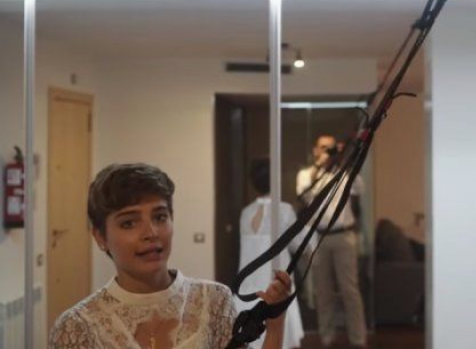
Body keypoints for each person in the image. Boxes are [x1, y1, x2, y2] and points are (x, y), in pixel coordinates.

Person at [49, 163, 289, 349]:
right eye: (129, 223)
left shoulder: (214, 301)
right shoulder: (77, 326)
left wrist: (275, 325)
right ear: (100, 237)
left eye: (160, 217)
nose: (150, 233)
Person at [296, 135, 367, 348]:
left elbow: (360, 188)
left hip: (344, 236)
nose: (328, 151)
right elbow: (304, 195)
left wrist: (347, 161)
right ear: (315, 150)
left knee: (350, 291)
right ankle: (327, 339)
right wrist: (321, 166)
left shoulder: (344, 172)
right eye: (323, 148)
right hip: (319, 238)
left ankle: (358, 340)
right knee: (323, 292)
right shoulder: (306, 174)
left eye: (331, 148)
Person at [237, 158, 312, 349]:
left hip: (248, 284)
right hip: (274, 283)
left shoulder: (246, 213)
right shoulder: (284, 210)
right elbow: (301, 244)